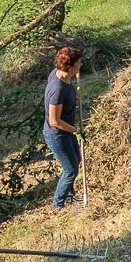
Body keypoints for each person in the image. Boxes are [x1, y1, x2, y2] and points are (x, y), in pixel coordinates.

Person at [43, 47, 83, 209]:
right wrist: (76, 130)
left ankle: (69, 196)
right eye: (79, 62)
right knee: (70, 171)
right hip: (57, 134)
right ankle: (57, 205)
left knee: (76, 161)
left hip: (66, 130)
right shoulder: (58, 90)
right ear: (70, 66)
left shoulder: (58, 73)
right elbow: (54, 121)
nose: (81, 64)